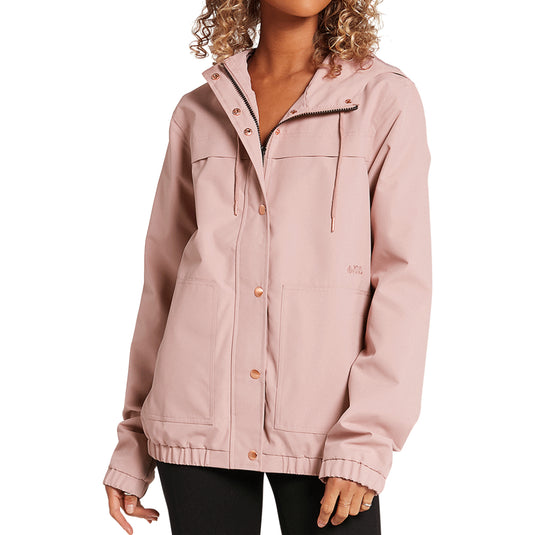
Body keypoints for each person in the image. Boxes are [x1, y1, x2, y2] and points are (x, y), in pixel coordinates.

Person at [103, 1, 432, 534]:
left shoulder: (382, 98)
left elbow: (403, 280)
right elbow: (163, 282)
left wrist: (367, 439)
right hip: (195, 420)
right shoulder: (200, 109)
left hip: (330, 432)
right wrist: (133, 441)